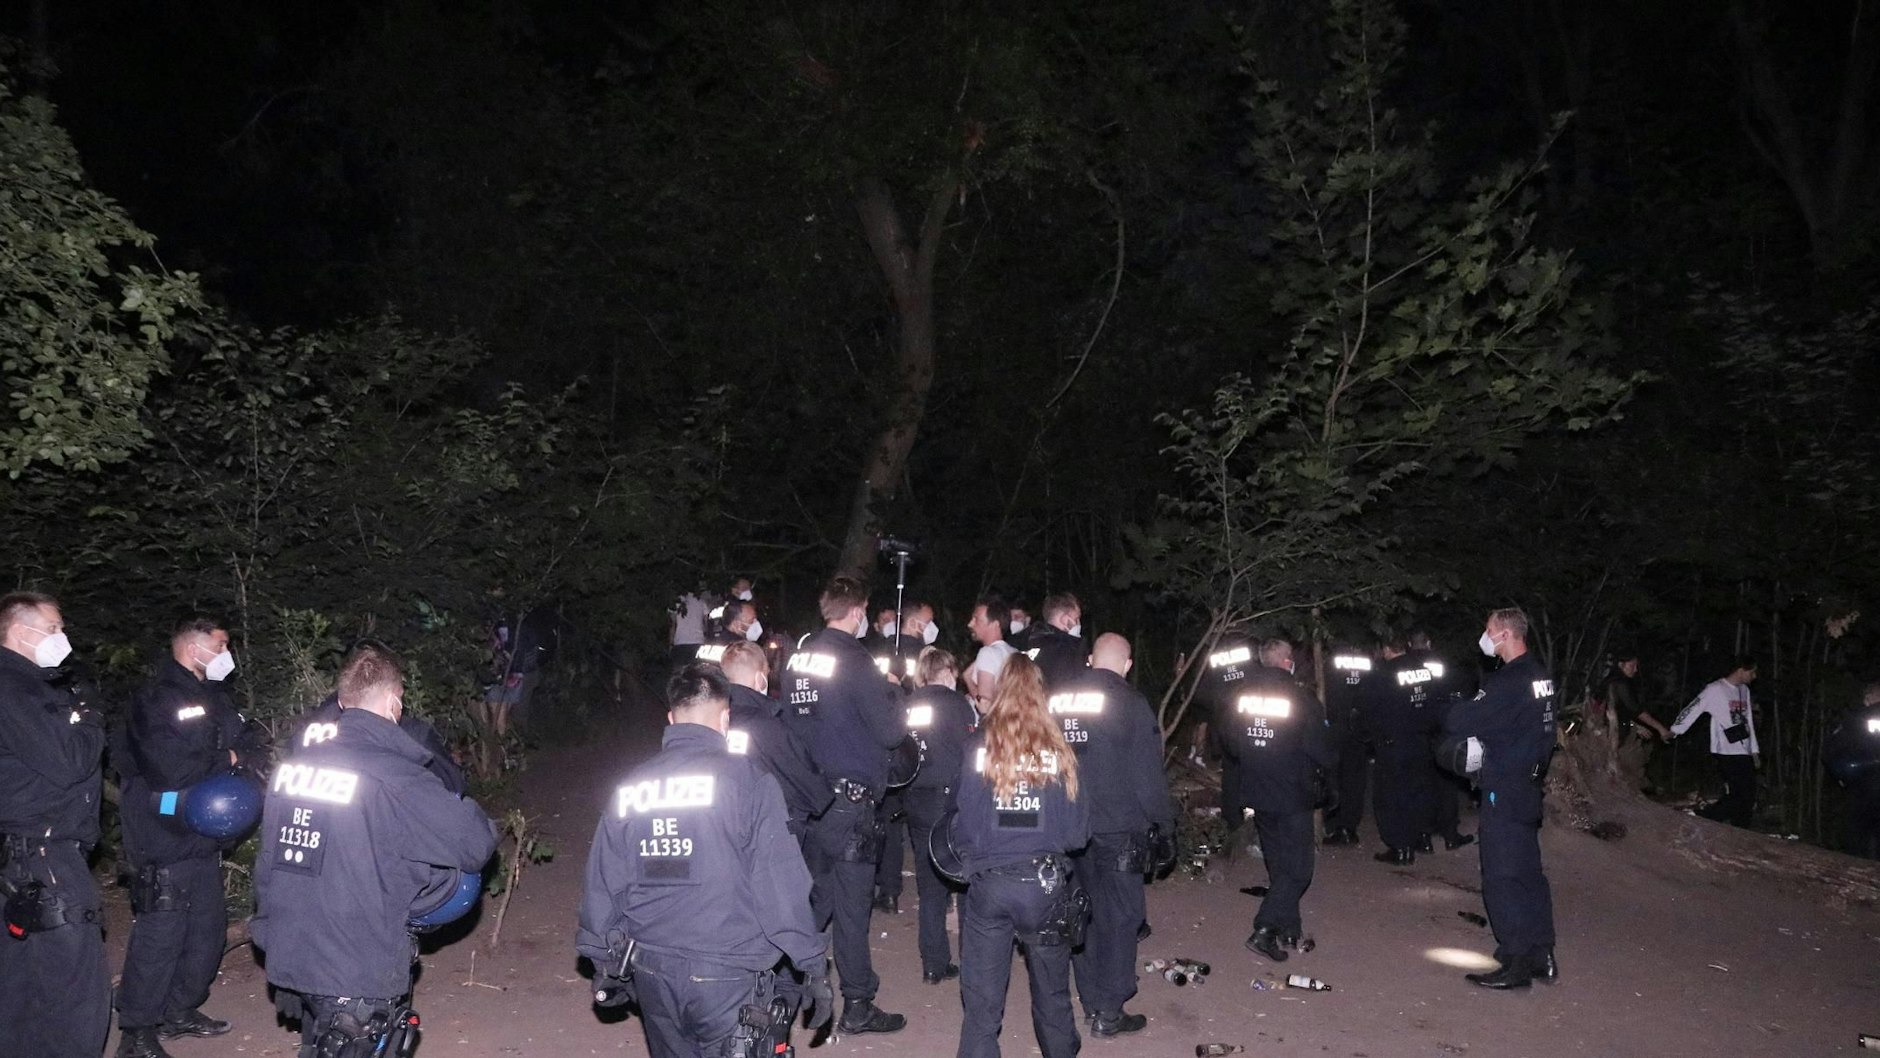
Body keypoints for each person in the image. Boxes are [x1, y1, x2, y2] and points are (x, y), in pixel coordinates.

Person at [252, 642, 498, 1056]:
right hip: (355, 965)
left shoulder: (293, 769)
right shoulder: (396, 775)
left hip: (296, 947)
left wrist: (274, 939)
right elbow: (473, 844)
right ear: (392, 702)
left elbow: (270, 863)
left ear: (343, 702)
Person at [577, 663, 833, 1058]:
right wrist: (812, 962)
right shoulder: (749, 781)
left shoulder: (631, 786)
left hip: (651, 970)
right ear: (725, 718)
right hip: (726, 974)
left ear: (671, 718)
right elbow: (779, 883)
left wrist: (602, 960)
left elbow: (604, 880)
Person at [113, 616, 268, 1058]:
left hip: (204, 835)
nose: (227, 654)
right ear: (194, 646)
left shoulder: (213, 696)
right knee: (162, 932)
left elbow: (247, 742)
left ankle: (179, 1010)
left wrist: (237, 754)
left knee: (206, 930)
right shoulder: (156, 699)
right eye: (221, 644)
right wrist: (229, 757)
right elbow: (170, 768)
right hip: (163, 832)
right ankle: (137, 1031)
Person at [783, 576, 908, 1034]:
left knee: (815, 900)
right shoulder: (856, 659)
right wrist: (892, 687)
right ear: (857, 612)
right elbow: (892, 732)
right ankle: (857, 1003)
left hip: (808, 795)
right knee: (852, 907)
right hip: (851, 801)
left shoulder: (797, 657)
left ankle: (781, 992)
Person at [950, 654, 1089, 1058]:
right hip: (1045, 887)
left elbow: (965, 820)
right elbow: (1079, 833)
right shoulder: (1060, 749)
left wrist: (978, 853)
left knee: (981, 1003)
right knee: (1053, 990)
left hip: (991, 882)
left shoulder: (979, 743)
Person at [0, 591, 110, 1058]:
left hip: (25, 855)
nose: (62, 638)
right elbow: (70, 761)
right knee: (76, 990)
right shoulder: (15, 687)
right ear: (20, 631)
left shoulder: (26, 686)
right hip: (44, 857)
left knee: (24, 988)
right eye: (53, 629)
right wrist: (90, 717)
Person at [1053, 633, 1173, 1036]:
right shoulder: (1130, 703)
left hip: (1070, 827)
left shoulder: (1058, 700)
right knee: (1121, 916)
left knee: (1082, 911)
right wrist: (1164, 825)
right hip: (1119, 827)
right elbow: (1147, 775)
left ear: (1090, 659)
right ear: (1126, 664)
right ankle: (1109, 1010)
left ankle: (1089, 998)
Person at [1443, 608, 1558, 989]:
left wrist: (1454, 704)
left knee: (1502, 875)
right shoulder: (1539, 675)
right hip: (1529, 785)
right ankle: (1542, 953)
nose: (1485, 636)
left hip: (1504, 787)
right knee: (1528, 873)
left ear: (1505, 634)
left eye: (1489, 630)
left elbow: (1460, 722)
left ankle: (1516, 960)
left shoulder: (1507, 681)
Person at [1220, 638, 1332, 962]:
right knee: (1299, 870)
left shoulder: (1240, 695)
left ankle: (1288, 926)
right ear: (1286, 661)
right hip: (1292, 793)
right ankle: (1265, 929)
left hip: (1257, 789)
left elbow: (1229, 740)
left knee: (1280, 864)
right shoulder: (1301, 698)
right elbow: (1321, 750)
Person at [902, 647, 977, 983]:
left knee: (929, 886)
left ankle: (933, 963)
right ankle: (972, 960)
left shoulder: (910, 705)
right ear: (946, 672)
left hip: (917, 800)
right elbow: (970, 752)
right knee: (964, 882)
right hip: (951, 802)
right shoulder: (956, 704)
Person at [719, 641, 832, 835]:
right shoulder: (768, 726)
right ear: (759, 677)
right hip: (770, 835)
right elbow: (811, 786)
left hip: (724, 829)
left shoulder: (713, 721)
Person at [1364, 635, 1440, 864]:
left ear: (1387, 649)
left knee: (1391, 797)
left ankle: (1399, 847)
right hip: (1421, 741)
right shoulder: (1424, 670)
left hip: (1393, 744)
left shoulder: (1383, 673)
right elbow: (1433, 703)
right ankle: (1420, 838)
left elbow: (1373, 710)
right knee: (1418, 792)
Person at [1670, 656, 1761, 827]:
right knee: (1740, 794)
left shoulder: (1744, 691)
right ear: (1742, 670)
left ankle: (1741, 830)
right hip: (1726, 749)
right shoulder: (1715, 689)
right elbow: (1694, 708)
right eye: (1752, 671)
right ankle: (1703, 816)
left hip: (1744, 749)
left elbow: (1748, 720)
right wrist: (1675, 730)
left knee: (1747, 794)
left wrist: (1754, 749)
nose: (1754, 676)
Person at [1409, 630, 1474, 851]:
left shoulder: (1406, 666)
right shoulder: (1442, 664)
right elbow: (1457, 692)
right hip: (1444, 730)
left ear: (1410, 644)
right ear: (1429, 643)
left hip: (1418, 732)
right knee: (1446, 785)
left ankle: (1424, 836)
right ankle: (1450, 835)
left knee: (1422, 786)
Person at [1198, 635, 1256, 855]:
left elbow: (1201, 691)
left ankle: (1234, 824)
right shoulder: (1249, 647)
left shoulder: (1212, 650)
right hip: (1251, 718)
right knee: (1248, 771)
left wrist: (1220, 703)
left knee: (1231, 774)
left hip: (1225, 721)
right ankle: (1247, 824)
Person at [1320, 647, 1374, 846]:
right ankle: (1349, 827)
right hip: (1359, 727)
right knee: (1354, 781)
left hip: (1336, 726)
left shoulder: (1332, 659)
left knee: (1334, 778)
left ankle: (1335, 826)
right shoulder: (1365, 659)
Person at [1825, 681, 1880, 859]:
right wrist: (1843, 772)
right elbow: (1833, 749)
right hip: (1864, 781)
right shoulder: (1858, 719)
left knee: (1861, 832)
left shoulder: (1856, 718)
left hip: (1864, 783)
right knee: (1861, 831)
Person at [1605, 652, 1669, 791]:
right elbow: (1635, 710)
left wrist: (1633, 725)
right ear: (1621, 665)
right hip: (1611, 735)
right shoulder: (1618, 683)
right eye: (1632, 665)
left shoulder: (1615, 681)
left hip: (1618, 729)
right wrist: (1660, 728)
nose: (1635, 669)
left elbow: (1622, 711)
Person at [964, 596, 1018, 708]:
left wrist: (968, 679)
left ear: (995, 624)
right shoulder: (1014, 653)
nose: (970, 624)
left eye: (976, 619)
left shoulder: (987, 653)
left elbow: (986, 704)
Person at [1025, 592, 1088, 689]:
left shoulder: (1028, 640)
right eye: (1076, 619)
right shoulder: (1065, 649)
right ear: (1065, 620)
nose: (1078, 623)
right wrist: (1076, 643)